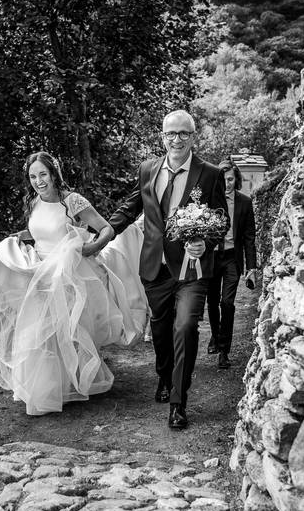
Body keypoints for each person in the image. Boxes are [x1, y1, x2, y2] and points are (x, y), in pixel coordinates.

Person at [0, 152, 147, 416]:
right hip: (39, 270)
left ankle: (70, 385)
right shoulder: (33, 202)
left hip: (68, 272)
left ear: (54, 173)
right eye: (33, 176)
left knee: (63, 329)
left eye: (43, 174)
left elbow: (106, 229)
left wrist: (92, 248)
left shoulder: (72, 200)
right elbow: (37, 233)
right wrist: (17, 239)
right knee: (40, 330)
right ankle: (48, 388)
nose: (38, 181)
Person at [108, 110, 228, 430]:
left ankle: (178, 402)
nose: (176, 140)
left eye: (183, 134)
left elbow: (221, 219)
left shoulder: (210, 173)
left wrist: (206, 243)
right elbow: (130, 208)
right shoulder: (148, 169)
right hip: (155, 268)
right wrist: (103, 234)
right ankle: (164, 375)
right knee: (161, 332)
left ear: (193, 136)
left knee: (185, 328)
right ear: (162, 137)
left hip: (192, 270)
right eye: (170, 134)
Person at [206, 159, 257, 370]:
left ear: (235, 179)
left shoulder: (244, 202)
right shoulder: (209, 201)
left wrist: (251, 268)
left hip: (231, 259)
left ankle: (224, 350)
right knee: (212, 301)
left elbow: (249, 238)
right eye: (222, 179)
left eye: (230, 179)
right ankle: (216, 335)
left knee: (227, 303)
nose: (226, 183)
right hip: (211, 258)